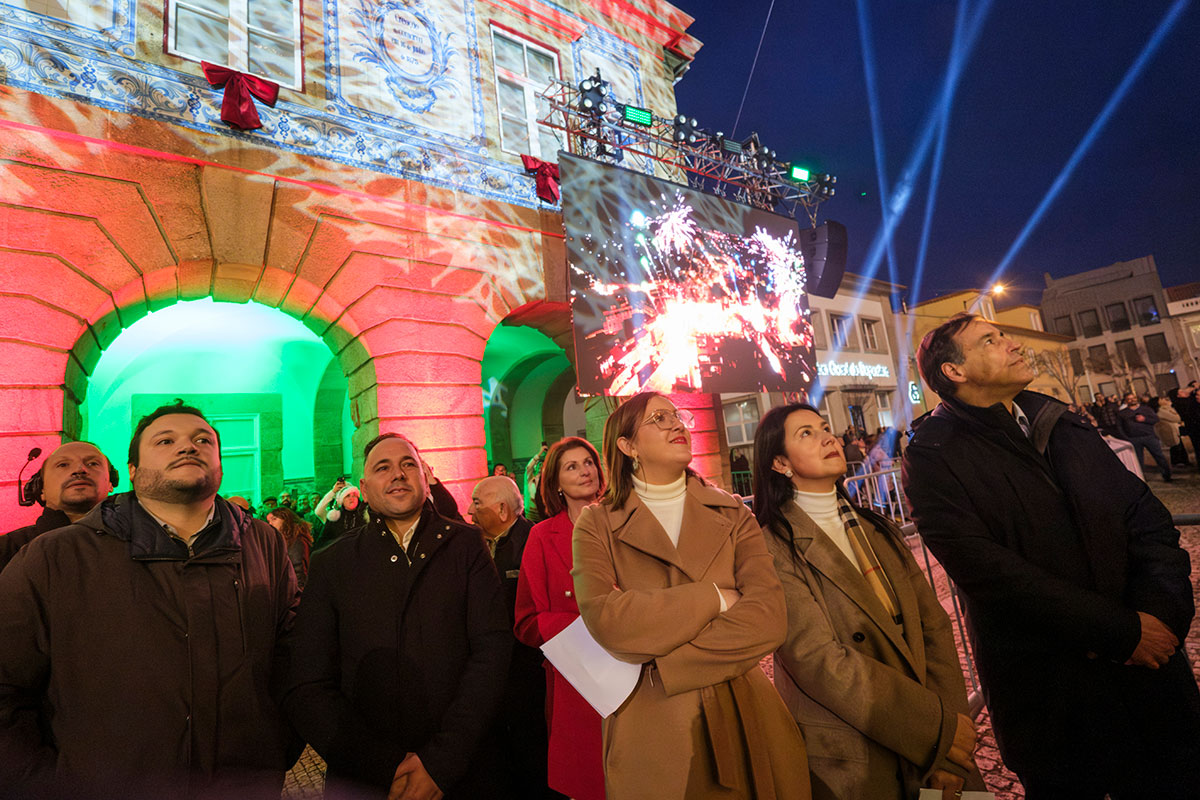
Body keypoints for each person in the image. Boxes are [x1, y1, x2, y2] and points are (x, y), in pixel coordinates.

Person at [903, 314, 1200, 798]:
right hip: (1051, 692)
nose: (1013, 344)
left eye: (1005, 334)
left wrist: (1161, 612)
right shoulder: (933, 455)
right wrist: (1119, 632)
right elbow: (990, 572)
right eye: (991, 340)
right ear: (954, 371)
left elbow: (1145, 518)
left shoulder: (1062, 422)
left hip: (1148, 677)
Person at [0, 400, 299, 798]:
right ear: (133, 471)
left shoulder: (264, 543)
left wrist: (277, 745)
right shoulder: (54, 555)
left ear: (220, 464)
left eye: (202, 440)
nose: (188, 446)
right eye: (165, 440)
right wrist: (42, 783)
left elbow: (292, 653)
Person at [571, 392, 811, 799]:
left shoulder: (733, 512)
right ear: (627, 446)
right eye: (658, 418)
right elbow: (607, 621)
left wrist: (663, 660)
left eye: (676, 415)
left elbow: (769, 618)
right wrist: (715, 598)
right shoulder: (596, 524)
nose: (676, 423)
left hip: (744, 710)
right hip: (652, 726)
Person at [751, 403, 982, 799]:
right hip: (855, 750)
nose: (828, 437)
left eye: (825, 427)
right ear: (779, 463)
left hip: (938, 733)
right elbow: (819, 661)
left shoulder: (878, 528)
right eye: (806, 433)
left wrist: (949, 742)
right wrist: (935, 731)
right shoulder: (772, 546)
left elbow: (934, 628)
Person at [280, 433, 512, 800]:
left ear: (425, 479)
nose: (398, 474)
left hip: (463, 770)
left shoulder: (467, 545)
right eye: (382, 467)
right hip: (366, 780)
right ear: (364, 488)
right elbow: (309, 682)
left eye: (408, 465)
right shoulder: (332, 562)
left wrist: (442, 761)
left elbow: (492, 653)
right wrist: (383, 767)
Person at [514, 437, 607, 800]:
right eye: (572, 466)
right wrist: (588, 627)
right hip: (577, 678)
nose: (585, 471)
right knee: (590, 780)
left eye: (589, 462)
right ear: (555, 483)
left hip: (639, 669)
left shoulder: (625, 523)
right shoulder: (541, 536)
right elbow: (525, 622)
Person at [469, 475, 556, 798]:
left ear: (502, 510)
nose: (469, 511)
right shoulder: (476, 544)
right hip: (495, 675)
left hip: (527, 674)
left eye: (477, 503)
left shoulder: (534, 542)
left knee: (533, 756)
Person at [2, 441, 116, 572]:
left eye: (93, 463)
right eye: (63, 465)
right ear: (40, 488)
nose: (79, 469)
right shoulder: (6, 549)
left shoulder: (132, 543)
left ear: (110, 483)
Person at [1119, 391, 1172, 481]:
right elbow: (1120, 427)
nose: (1132, 400)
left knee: (1159, 456)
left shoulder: (1146, 409)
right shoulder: (1122, 413)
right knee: (1138, 460)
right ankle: (1141, 478)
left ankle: (1167, 475)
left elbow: (1156, 420)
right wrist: (1126, 438)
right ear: (1126, 401)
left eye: (1133, 398)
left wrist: (1145, 419)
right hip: (1134, 439)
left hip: (1149, 437)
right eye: (1129, 399)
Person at [267, 506, 314, 591]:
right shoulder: (286, 539)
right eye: (269, 521)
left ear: (285, 519)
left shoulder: (296, 540)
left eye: (274, 519)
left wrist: (297, 591)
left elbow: (298, 569)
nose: (270, 524)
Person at [1155, 394, 1188, 467]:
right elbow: (1176, 418)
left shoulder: (1165, 409)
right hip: (1170, 431)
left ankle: (1183, 461)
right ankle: (1178, 462)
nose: (1165, 400)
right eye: (1162, 399)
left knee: (1179, 445)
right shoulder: (1161, 411)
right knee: (1175, 446)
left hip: (1174, 430)